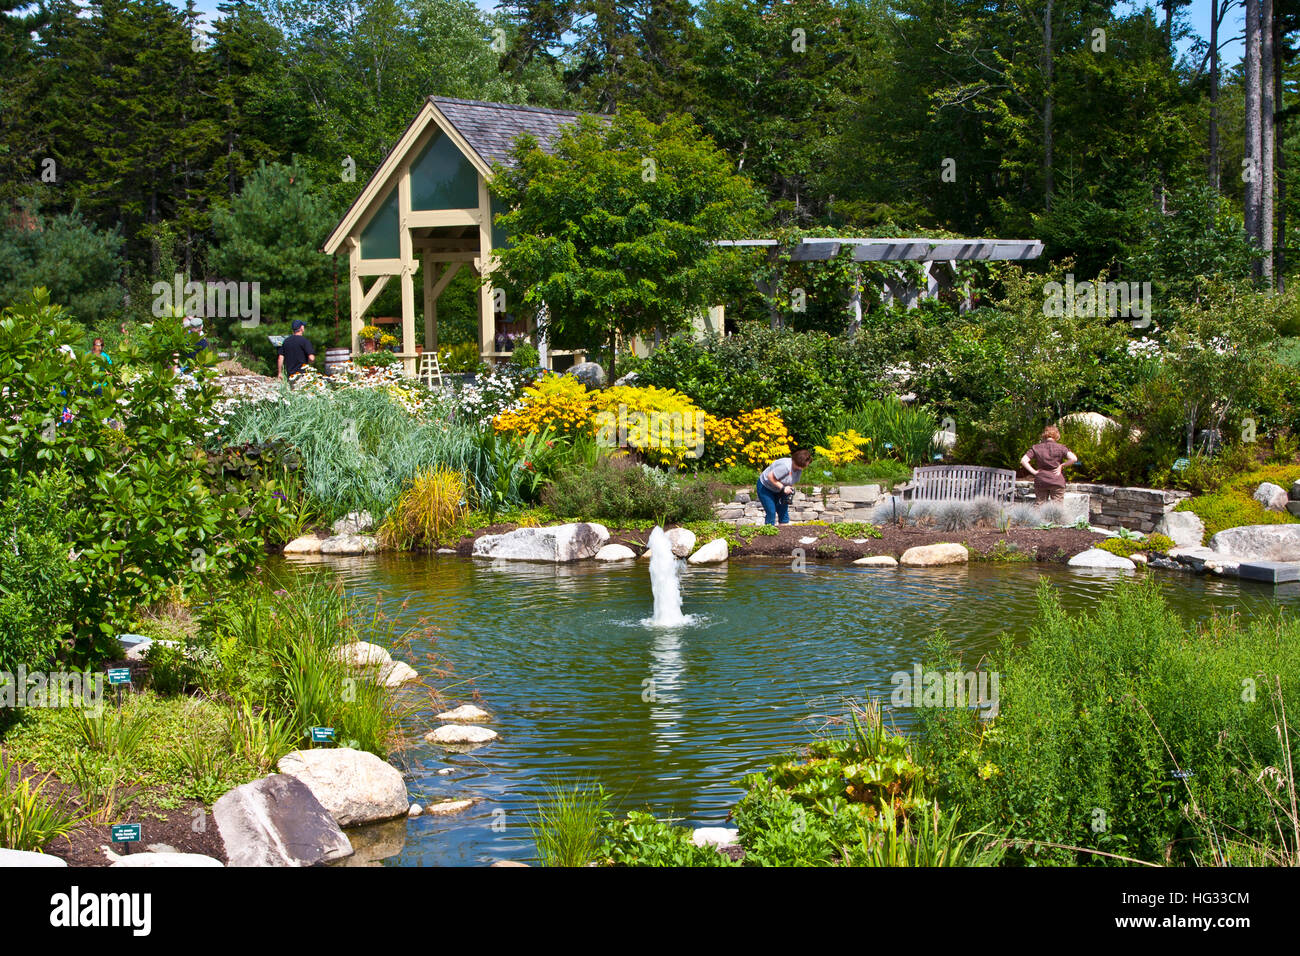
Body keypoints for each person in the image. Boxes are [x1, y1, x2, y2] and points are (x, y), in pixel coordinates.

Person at [1020, 425, 1078, 504]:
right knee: (1057, 509)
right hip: (1057, 480)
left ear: (1044, 435)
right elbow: (1074, 458)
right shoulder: (1061, 447)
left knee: (1039, 506)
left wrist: (1034, 472)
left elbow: (1023, 460)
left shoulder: (1036, 447)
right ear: (1057, 435)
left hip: (1041, 480)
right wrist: (1062, 465)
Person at [757, 448, 814, 526]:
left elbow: (790, 481)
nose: (803, 468)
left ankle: (784, 535)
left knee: (783, 512)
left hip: (779, 489)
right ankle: (768, 535)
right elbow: (770, 476)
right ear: (797, 461)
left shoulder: (799, 469)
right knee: (771, 512)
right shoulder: (785, 466)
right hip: (765, 487)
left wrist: (788, 490)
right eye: (802, 466)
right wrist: (783, 488)